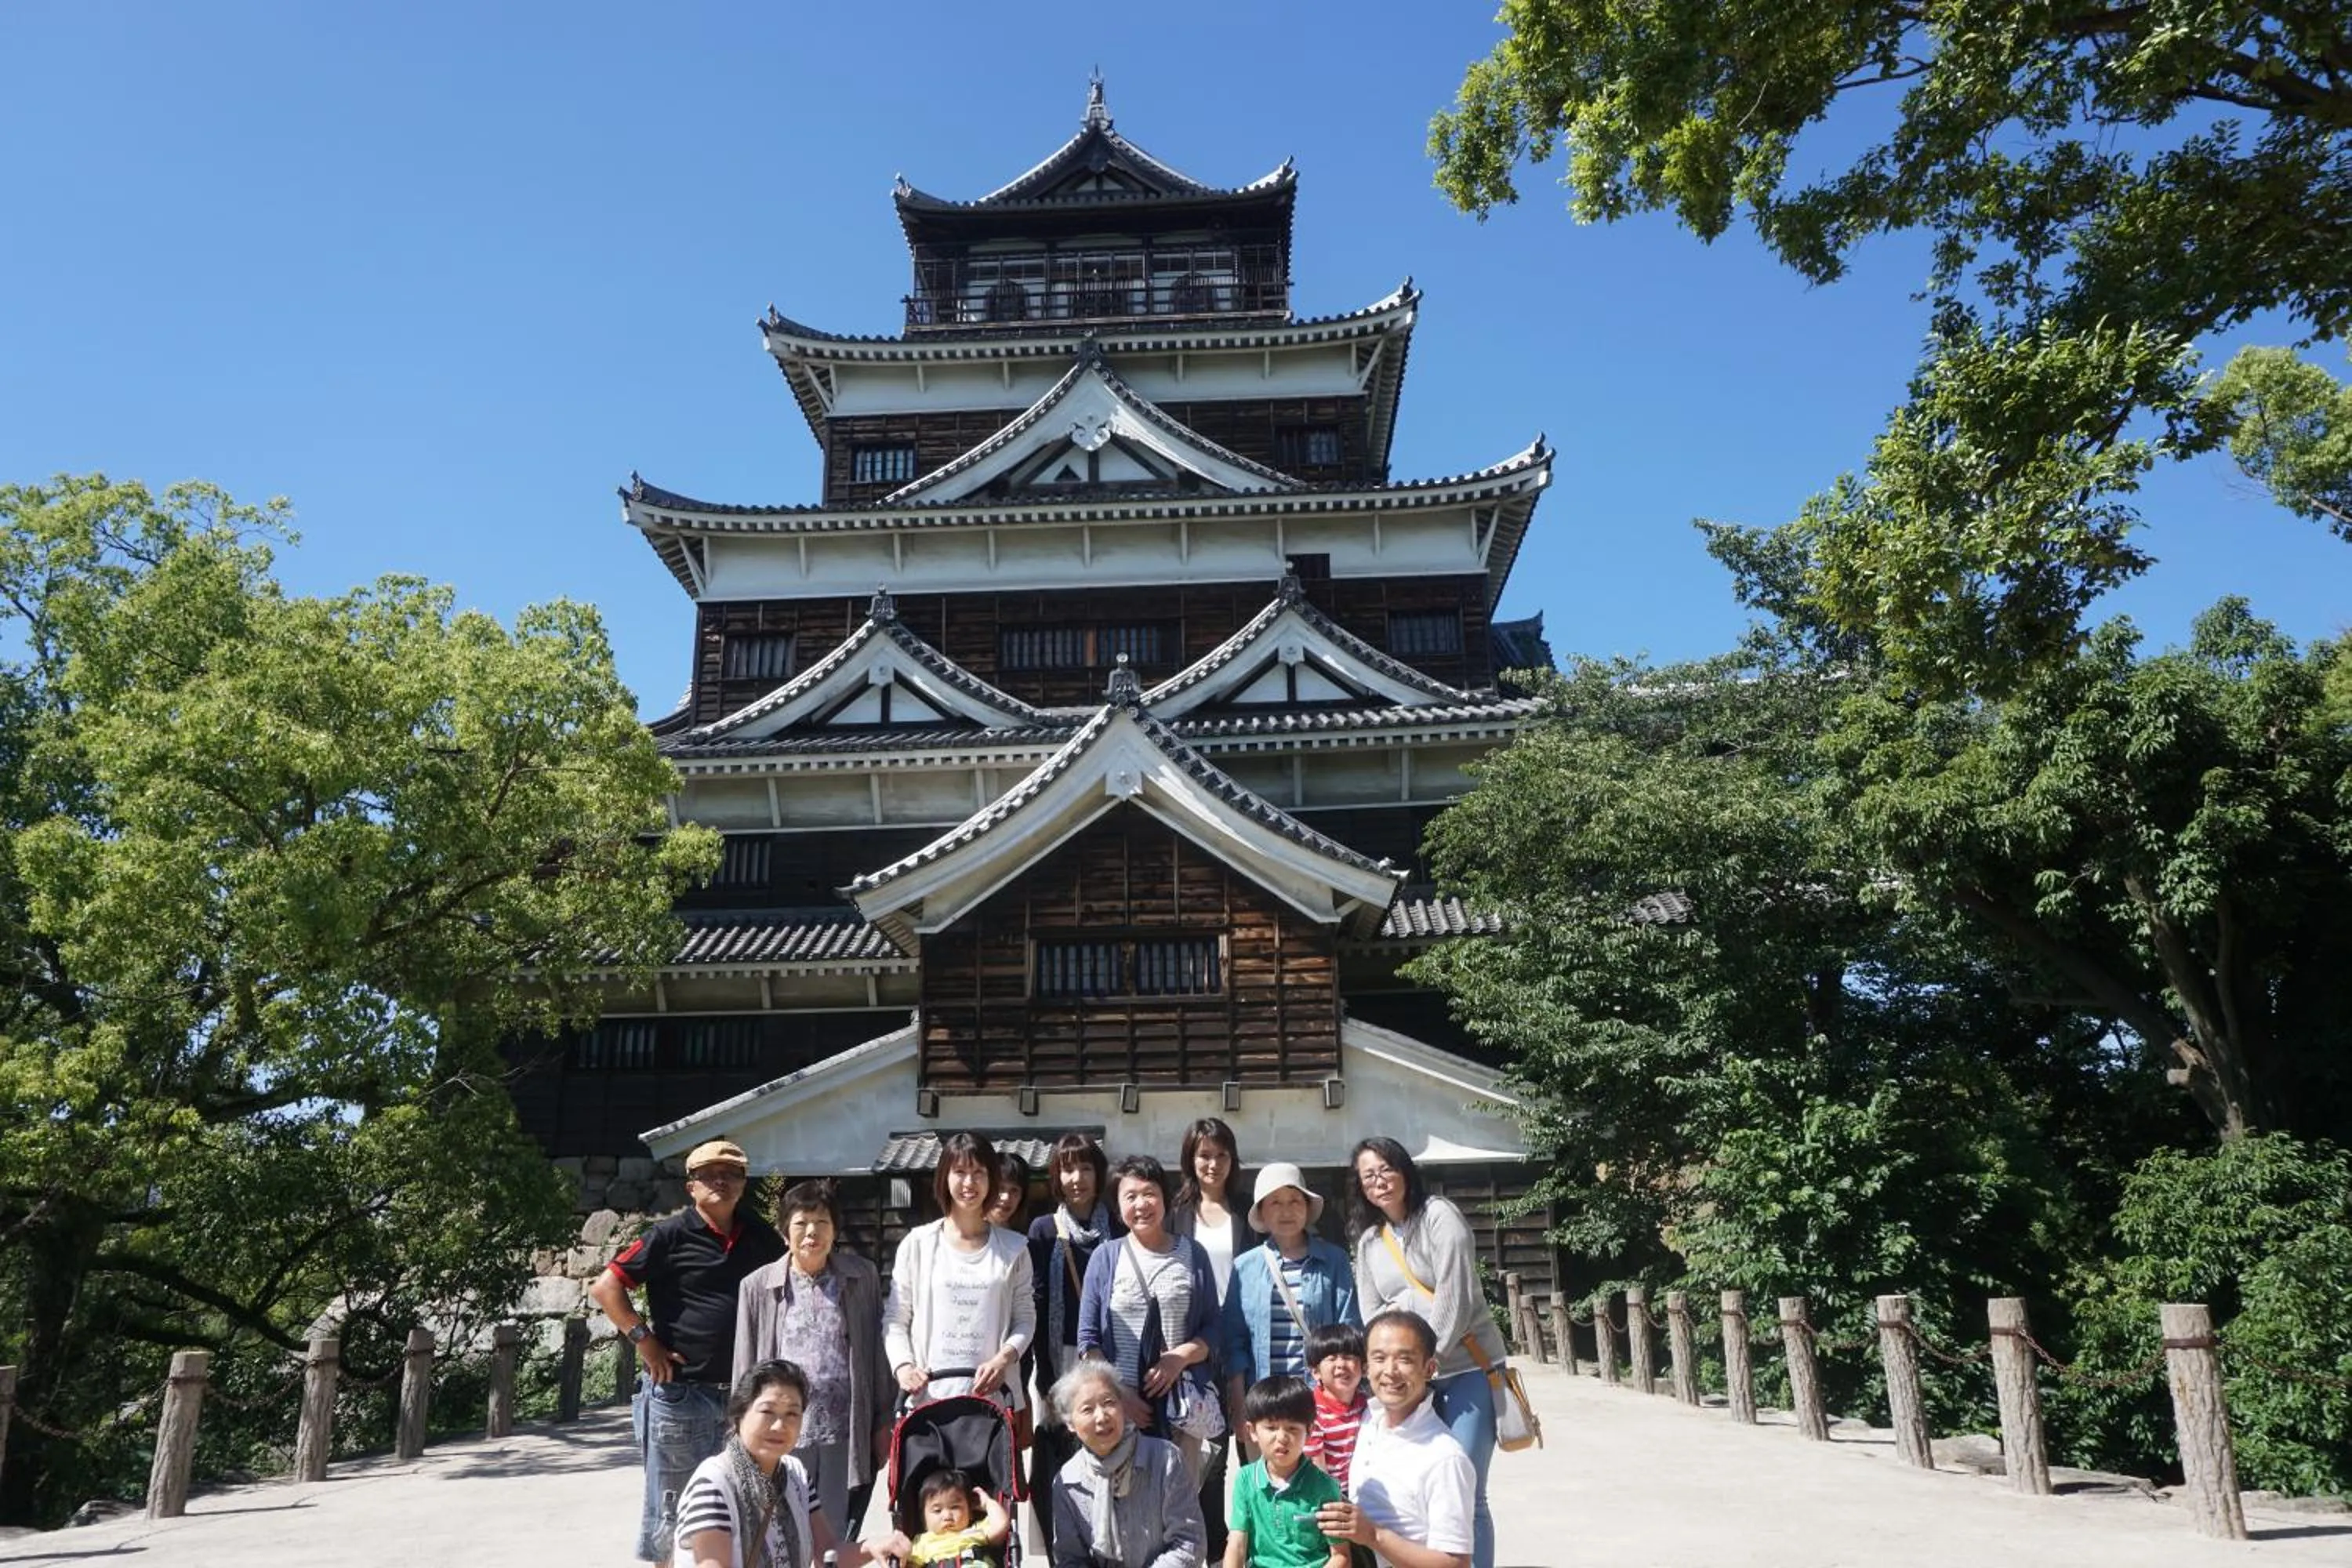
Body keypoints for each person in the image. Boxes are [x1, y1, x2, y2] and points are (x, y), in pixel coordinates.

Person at [590, 1138, 786, 1564]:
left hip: (743, 1397)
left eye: (732, 1174)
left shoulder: (760, 1236)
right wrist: (645, 1340)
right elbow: (606, 1286)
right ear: (691, 1185)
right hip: (681, 1396)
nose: (722, 1181)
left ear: (743, 1183)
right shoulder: (667, 1235)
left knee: (741, 1506)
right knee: (672, 1512)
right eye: (710, 1175)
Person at [1346, 1140, 1503, 1568]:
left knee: (1467, 1491)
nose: (1379, 1181)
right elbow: (1372, 1315)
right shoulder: (1369, 1242)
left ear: (1405, 1170)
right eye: (1368, 1175)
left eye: (1386, 1169)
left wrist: (1423, 1365)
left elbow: (1456, 1297)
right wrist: (1400, 1366)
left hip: (1465, 1366)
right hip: (1411, 1377)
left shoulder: (1439, 1217)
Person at [733, 1178, 893, 1538]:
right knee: (780, 1528)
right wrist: (741, 1430)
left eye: (822, 1223)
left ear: (835, 1230)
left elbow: (876, 1355)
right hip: (783, 1428)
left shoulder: (860, 1276)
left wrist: (883, 1420)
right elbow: (744, 1366)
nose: (812, 1233)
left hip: (844, 1426)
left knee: (833, 1533)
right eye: (801, 1223)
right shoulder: (758, 1286)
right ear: (784, 1231)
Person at [673, 1359, 909, 1568]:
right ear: (739, 1415)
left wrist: (872, 1546)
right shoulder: (714, 1484)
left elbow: (826, 1553)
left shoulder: (795, 1473)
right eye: (767, 1412)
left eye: (792, 1414)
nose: (779, 1426)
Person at [1078, 1154, 1223, 1483]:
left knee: (1178, 1509)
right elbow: (1088, 1341)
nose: (1141, 1204)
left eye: (1150, 1193)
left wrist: (1179, 1358)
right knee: (1124, 1507)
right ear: (1118, 1206)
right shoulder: (1105, 1257)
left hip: (1181, 1409)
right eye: (1130, 1196)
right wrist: (1119, 1396)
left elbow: (1214, 1328)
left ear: (1164, 1199)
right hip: (1121, 1413)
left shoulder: (1193, 1254)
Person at [885, 1131, 1038, 1413]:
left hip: (992, 1402)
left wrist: (1003, 1360)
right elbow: (896, 1318)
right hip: (928, 1399)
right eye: (960, 1172)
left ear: (991, 1178)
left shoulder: (1014, 1249)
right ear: (945, 1177)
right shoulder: (917, 1244)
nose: (969, 1182)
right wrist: (904, 1366)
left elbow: (1025, 1319)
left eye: (979, 1172)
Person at [1312, 1312, 1472, 1568]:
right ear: (1367, 1366)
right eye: (1379, 1358)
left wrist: (1373, 1535)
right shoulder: (1366, 1419)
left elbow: (1456, 1563)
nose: (1390, 1371)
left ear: (1429, 1368)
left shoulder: (1444, 1456)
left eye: (1405, 1359)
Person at [1028, 1132, 1123, 1556]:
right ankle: (1065, 1552)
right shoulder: (1044, 1230)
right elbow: (1038, 1301)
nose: (1077, 1177)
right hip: (1061, 1360)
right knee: (1063, 1461)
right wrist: (1044, 1380)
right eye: (1068, 1168)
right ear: (1057, 1176)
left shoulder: (1118, 1226)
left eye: (1085, 1167)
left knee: (1110, 1452)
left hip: (1109, 1357)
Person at [1223, 1163, 1358, 1436]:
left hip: (1322, 1402)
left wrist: (1344, 1396)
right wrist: (1239, 1406)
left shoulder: (1335, 1261)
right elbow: (1234, 1344)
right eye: (1275, 1202)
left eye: (1295, 1200)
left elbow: (1349, 1330)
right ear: (1261, 1211)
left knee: (1323, 1477)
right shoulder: (1244, 1267)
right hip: (1265, 1404)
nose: (1286, 1210)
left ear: (1308, 1208)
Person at [1170, 1119, 1248, 1556]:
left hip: (1240, 1345)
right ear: (1190, 1160)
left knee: (1252, 1450)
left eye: (1220, 1155)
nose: (1212, 1164)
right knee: (1204, 1457)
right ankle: (1207, 1551)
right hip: (1195, 1346)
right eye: (1204, 1155)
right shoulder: (1176, 1213)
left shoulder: (1246, 1213)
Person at [1047, 1361, 1207, 1568]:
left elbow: (1190, 1542)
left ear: (1122, 1406)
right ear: (1070, 1423)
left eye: (1108, 1403)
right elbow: (1070, 1559)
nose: (1102, 1416)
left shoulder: (1165, 1459)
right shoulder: (1068, 1481)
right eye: (1087, 1409)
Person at [1224, 1375, 1348, 1568]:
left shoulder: (1325, 1487)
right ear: (1253, 1431)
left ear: (1310, 1430)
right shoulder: (1245, 1479)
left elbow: (1341, 1557)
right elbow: (1237, 1545)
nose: (1282, 1437)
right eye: (1271, 1428)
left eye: (1292, 1428)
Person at [1301, 1323, 1368, 1499]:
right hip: (1325, 1495)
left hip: (1359, 1492)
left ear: (1363, 1366)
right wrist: (1336, 1501)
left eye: (1348, 1357)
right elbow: (1318, 1469)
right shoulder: (1312, 1413)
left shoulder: (1365, 1404)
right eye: (1331, 1358)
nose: (1341, 1365)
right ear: (1316, 1372)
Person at [907, 1468, 1012, 1566]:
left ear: (970, 1512)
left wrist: (987, 1503)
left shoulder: (976, 1531)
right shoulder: (922, 1543)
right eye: (937, 1511)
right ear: (923, 1518)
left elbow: (1001, 1525)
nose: (947, 1516)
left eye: (955, 1507)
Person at [987, 1152, 1031, 1232]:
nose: (1006, 1198)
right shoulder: (964, 1233)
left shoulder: (1023, 1240)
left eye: (1014, 1190)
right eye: (1000, 1188)